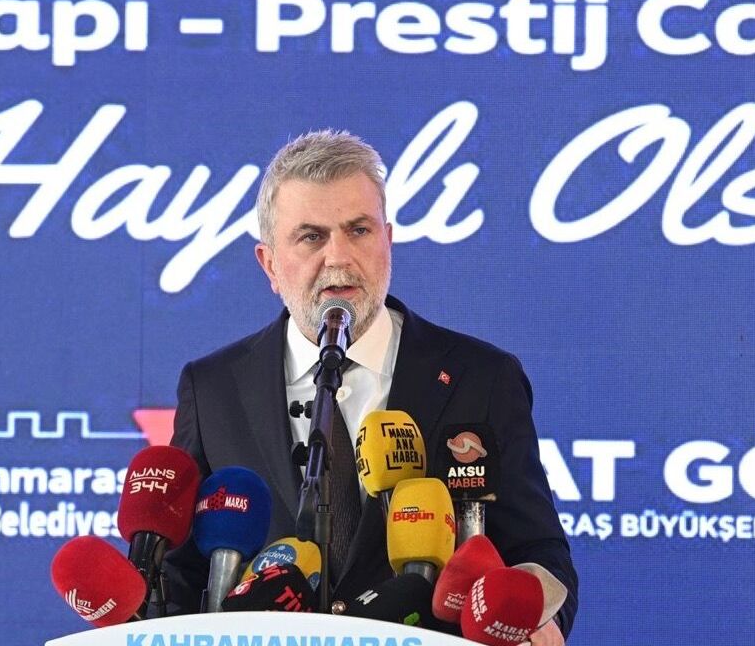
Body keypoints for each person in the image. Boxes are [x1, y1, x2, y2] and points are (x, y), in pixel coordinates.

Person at [164, 131, 577, 643]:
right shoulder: (214, 389)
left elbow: (538, 553)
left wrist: (538, 617)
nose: (339, 257)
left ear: (388, 241)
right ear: (269, 264)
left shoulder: (482, 377)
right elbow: (180, 575)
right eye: (311, 237)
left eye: (358, 230)